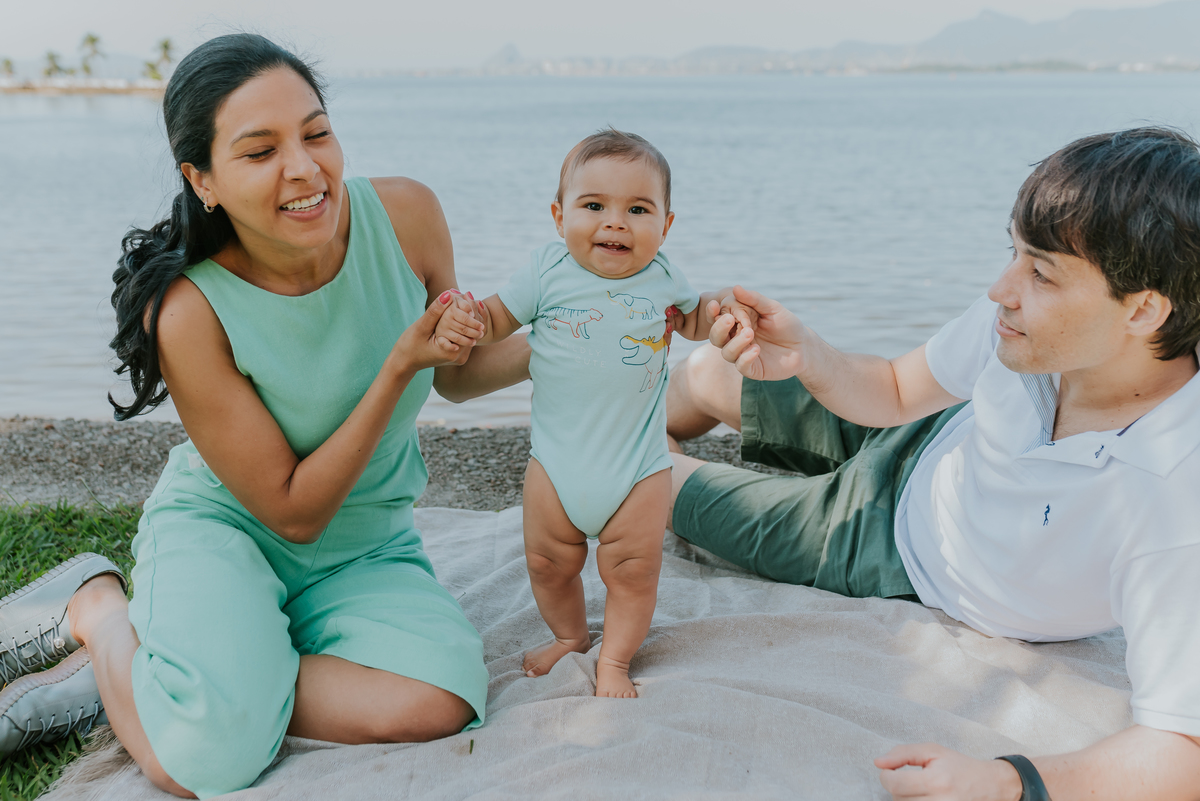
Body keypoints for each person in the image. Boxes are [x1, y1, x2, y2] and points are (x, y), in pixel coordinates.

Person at [0, 34, 525, 797]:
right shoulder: (189, 310)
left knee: (439, 698)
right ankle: (102, 611)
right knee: (202, 761)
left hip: (366, 544)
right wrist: (397, 364)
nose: (306, 168)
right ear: (202, 179)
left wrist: (582, 336)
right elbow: (292, 510)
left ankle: (207, 669)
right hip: (235, 526)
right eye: (260, 151)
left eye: (316, 133)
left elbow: (460, 371)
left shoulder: (408, 216)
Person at [666, 126, 1200, 800]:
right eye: (1014, 252)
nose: (1002, 288)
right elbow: (892, 388)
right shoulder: (1025, 331)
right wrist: (807, 352)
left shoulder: (1174, 497)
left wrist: (1008, 780)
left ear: (1145, 309)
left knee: (645, 480)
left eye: (1041, 272)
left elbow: (1182, 747)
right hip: (933, 437)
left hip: (888, 548)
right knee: (710, 370)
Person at [468, 129, 733, 697]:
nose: (615, 222)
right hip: (555, 465)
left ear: (664, 226)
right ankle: (569, 636)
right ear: (560, 216)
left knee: (634, 572)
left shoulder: (663, 277)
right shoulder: (545, 271)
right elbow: (495, 318)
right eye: (594, 206)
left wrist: (722, 314)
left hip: (638, 468)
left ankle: (614, 659)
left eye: (638, 209)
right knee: (545, 562)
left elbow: (692, 323)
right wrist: (464, 323)